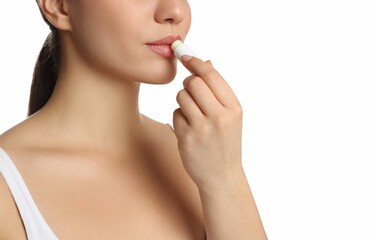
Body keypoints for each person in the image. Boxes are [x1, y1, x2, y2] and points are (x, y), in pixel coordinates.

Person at [0, 0, 267, 239]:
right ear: (58, 6)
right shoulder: (6, 191)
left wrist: (226, 177)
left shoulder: (206, 156)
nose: (174, 11)